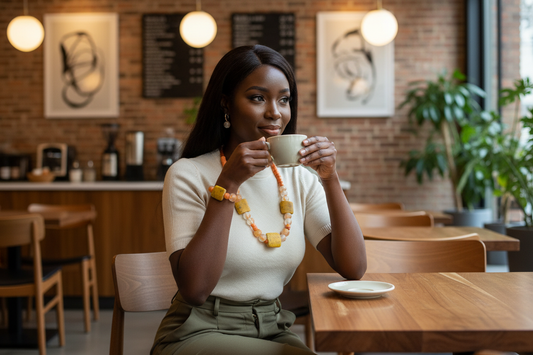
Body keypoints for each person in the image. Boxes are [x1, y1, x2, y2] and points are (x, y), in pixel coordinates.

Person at [151, 44, 367, 355]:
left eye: (284, 99)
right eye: (257, 98)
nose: (275, 112)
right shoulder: (189, 173)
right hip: (195, 331)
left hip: (272, 328)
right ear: (226, 104)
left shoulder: (299, 178)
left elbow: (353, 267)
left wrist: (329, 178)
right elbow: (195, 289)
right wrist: (228, 183)